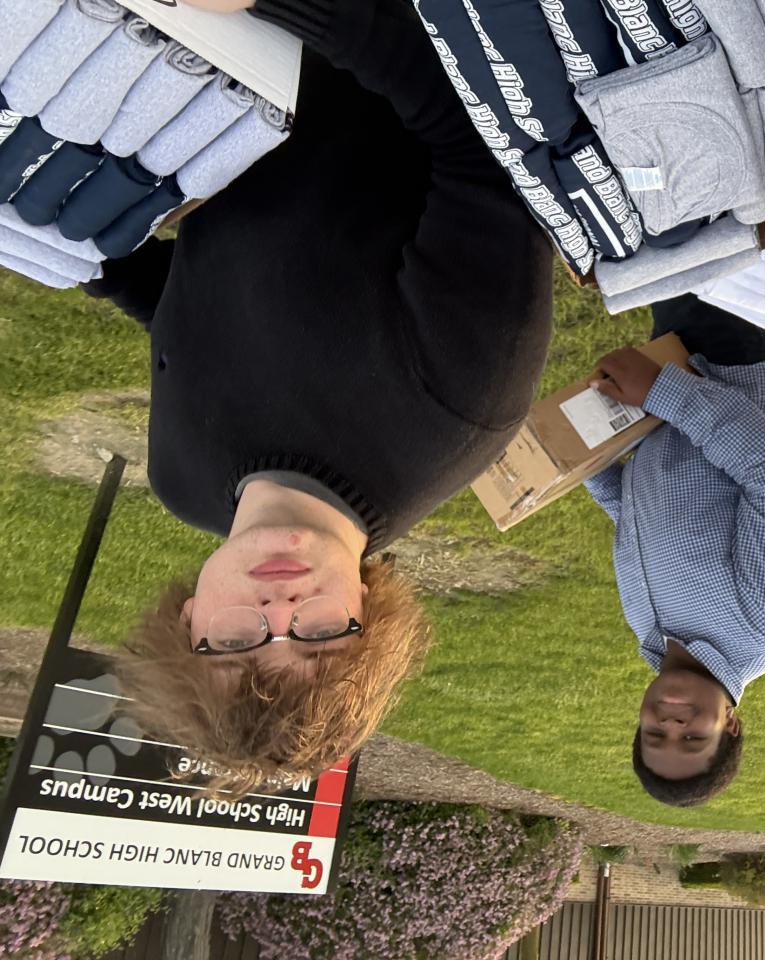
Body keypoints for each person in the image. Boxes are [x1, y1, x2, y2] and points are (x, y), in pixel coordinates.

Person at [86, 0, 553, 794]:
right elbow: (492, 133)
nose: (280, 606)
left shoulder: (184, 481)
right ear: (366, 617)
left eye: (237, 643)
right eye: (318, 637)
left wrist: (90, 262)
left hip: (219, 46)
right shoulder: (461, 400)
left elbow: (196, 320)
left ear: (190, 621)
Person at [584, 295, 765, 806]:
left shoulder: (647, 628)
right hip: (737, 362)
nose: (672, 723)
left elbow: (633, 515)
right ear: (731, 725)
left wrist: (570, 454)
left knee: (648, 256)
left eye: (656, 734)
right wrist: (661, 391)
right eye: (693, 738)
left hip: (672, 382)